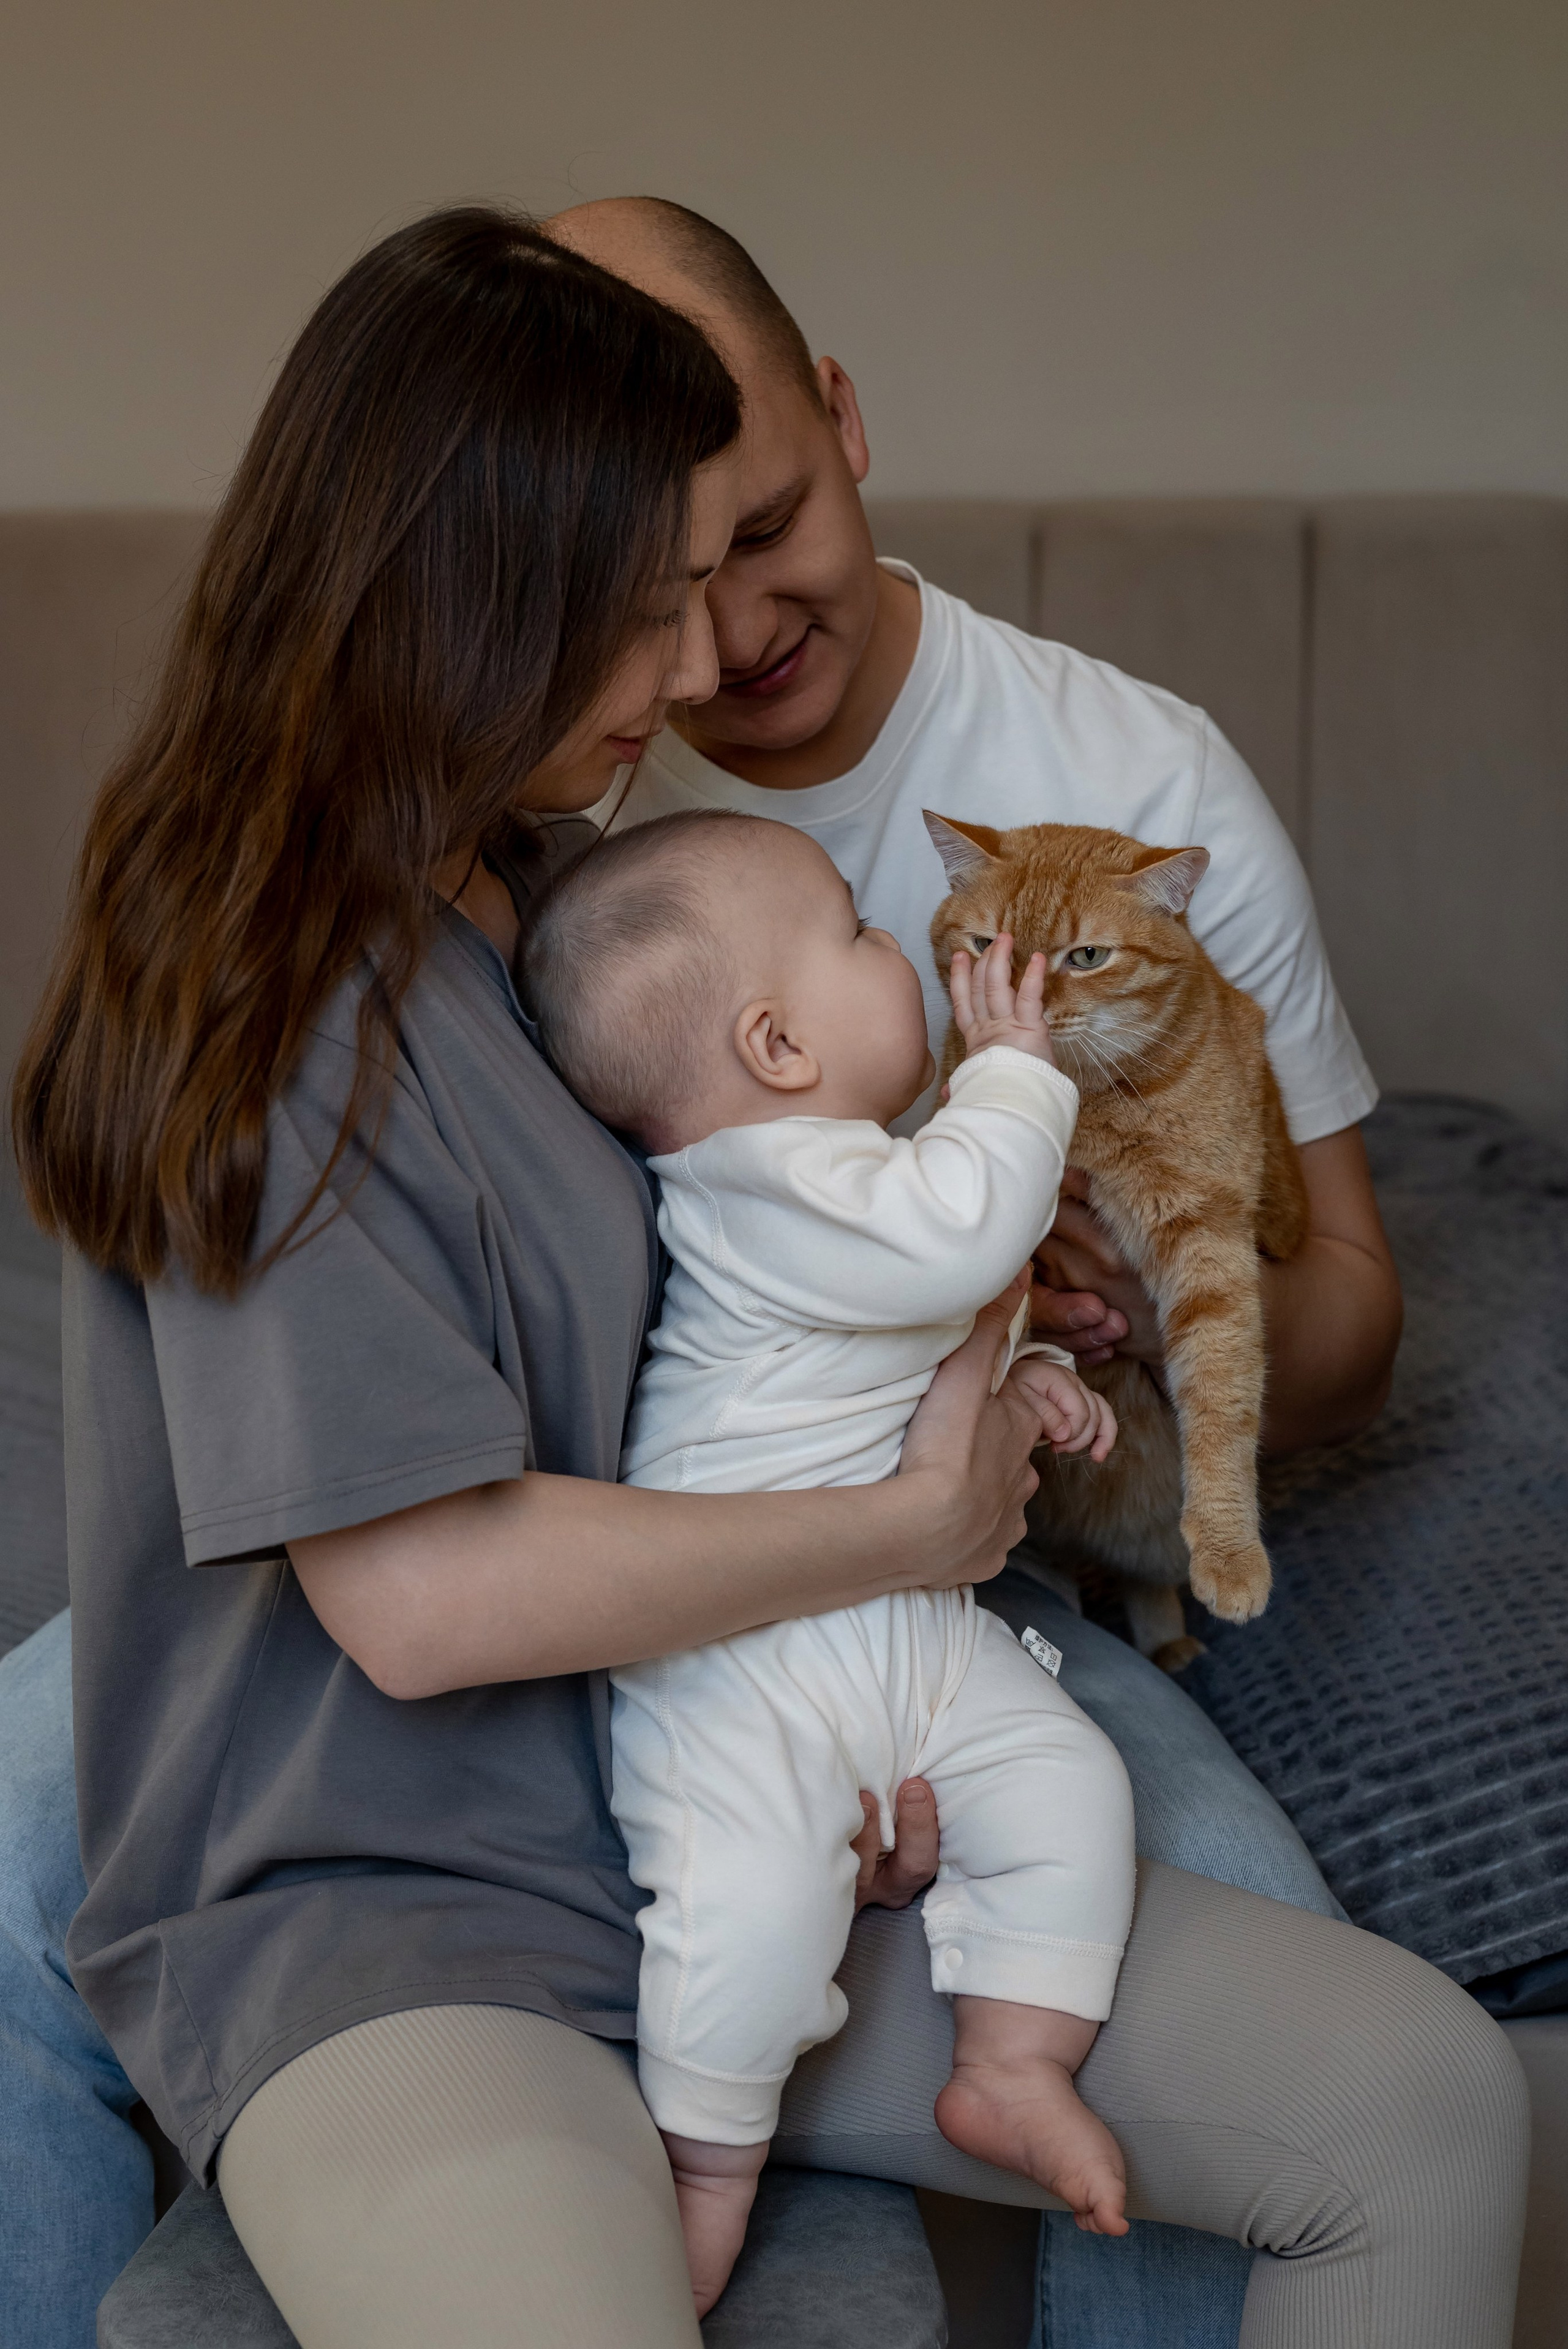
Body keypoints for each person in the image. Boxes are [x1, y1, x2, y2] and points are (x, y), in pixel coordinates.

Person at [0, 202, 1526, 2349]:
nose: (700, 672)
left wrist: (861, 1705)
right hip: (411, 1922)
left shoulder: (551, 899)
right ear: (477, 598)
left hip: (716, 1793)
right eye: (643, 612)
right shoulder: (264, 998)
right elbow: (421, 1599)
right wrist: (904, 1526)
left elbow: (722, 1349)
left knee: (1421, 2105)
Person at [543, 192, 1409, 2334]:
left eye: (768, 524)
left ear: (844, 420)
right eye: (655, 586)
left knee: (1285, 2026)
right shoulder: (559, 793)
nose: (731, 630)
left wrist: (1144, 1282)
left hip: (1003, 1567)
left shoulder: (1129, 778)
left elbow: (1360, 1309)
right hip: (644, 1568)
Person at [523, 808, 1134, 2309]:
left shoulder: (842, 1174)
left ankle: (1007, 2059)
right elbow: (947, 1245)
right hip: (746, 1659)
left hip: (909, 1630)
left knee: (1071, 1787)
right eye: (864, 931)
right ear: (777, 1045)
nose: (904, 952)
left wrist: (1020, 1374)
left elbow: (915, 1330)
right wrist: (1015, 1074)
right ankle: (703, 2165)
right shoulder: (758, 1181)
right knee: (744, 1906)